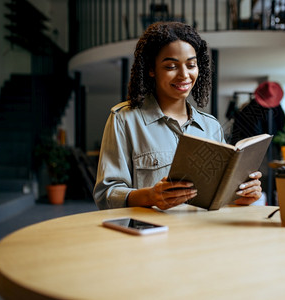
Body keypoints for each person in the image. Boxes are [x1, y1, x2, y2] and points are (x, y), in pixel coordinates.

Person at [93, 21, 262, 210]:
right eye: (171, 66)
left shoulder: (211, 127)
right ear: (151, 69)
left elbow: (217, 199)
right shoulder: (124, 120)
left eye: (191, 65)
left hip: (202, 235)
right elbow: (105, 195)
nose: (184, 75)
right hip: (150, 236)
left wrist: (241, 195)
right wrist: (150, 196)